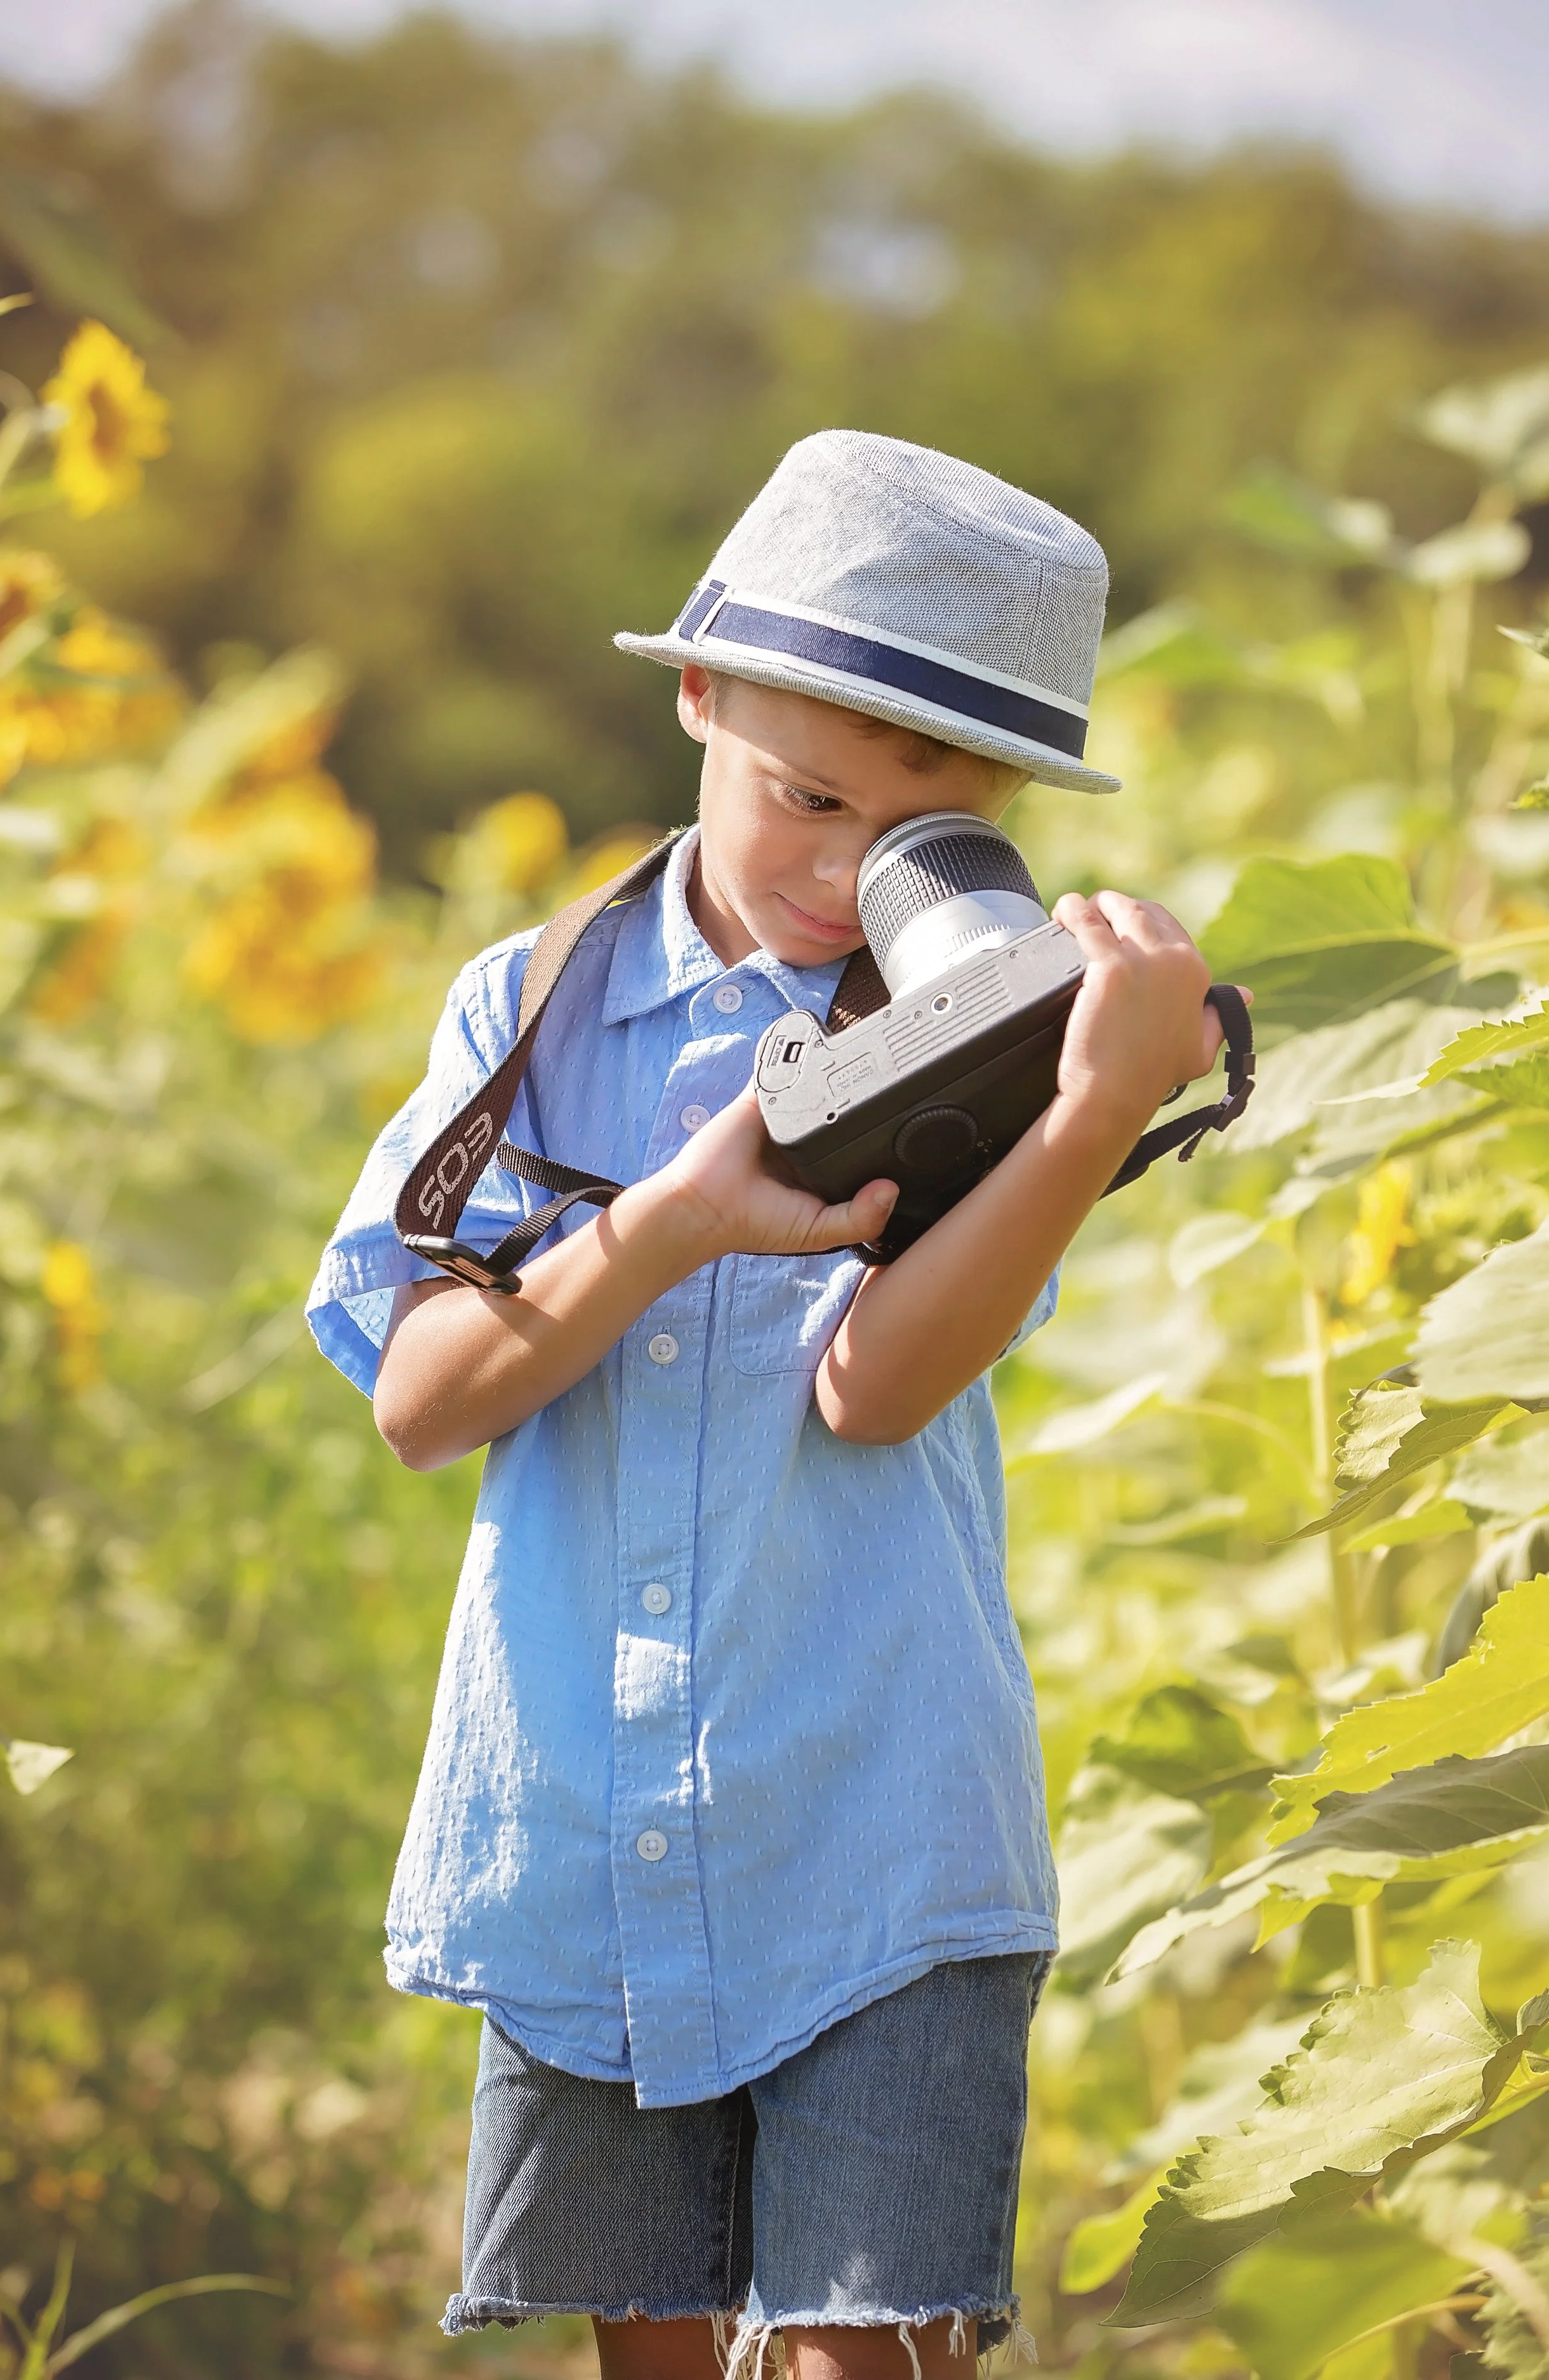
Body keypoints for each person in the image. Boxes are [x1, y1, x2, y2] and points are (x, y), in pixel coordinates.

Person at [306, 432, 1232, 2379]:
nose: (840, 871)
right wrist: (668, 1221)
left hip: (878, 1829)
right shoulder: (532, 1014)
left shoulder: (984, 1025)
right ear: (698, 695)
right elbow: (417, 1397)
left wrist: (1085, 1107)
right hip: (589, 1823)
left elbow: (878, 1385)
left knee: (868, 2356)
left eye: (925, 827)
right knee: (650, 2353)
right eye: (800, 796)